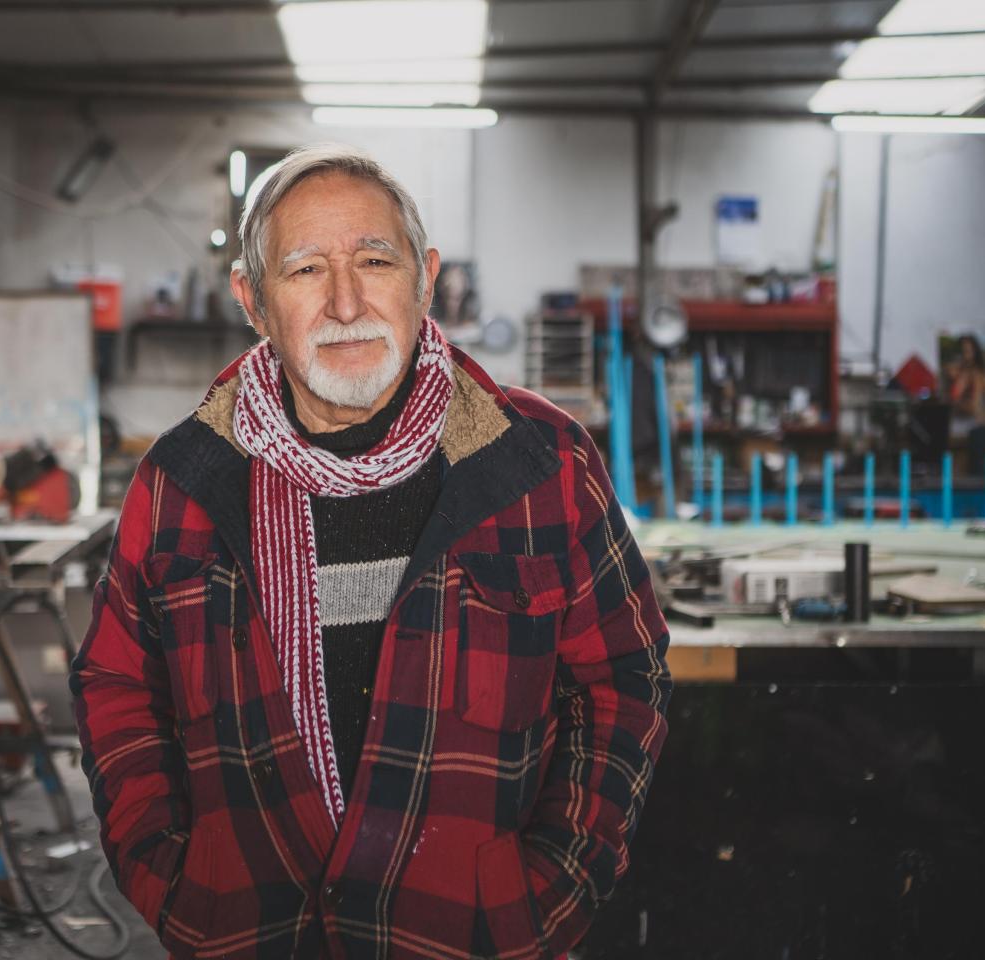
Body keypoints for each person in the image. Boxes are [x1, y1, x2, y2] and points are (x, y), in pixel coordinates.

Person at [70, 145, 673, 959]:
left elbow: (622, 683)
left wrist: (547, 893)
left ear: (424, 277)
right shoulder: (182, 482)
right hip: (249, 932)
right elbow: (116, 687)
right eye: (306, 269)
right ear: (254, 301)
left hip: (472, 938)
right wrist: (177, 884)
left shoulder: (538, 463)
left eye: (375, 261)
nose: (346, 302)